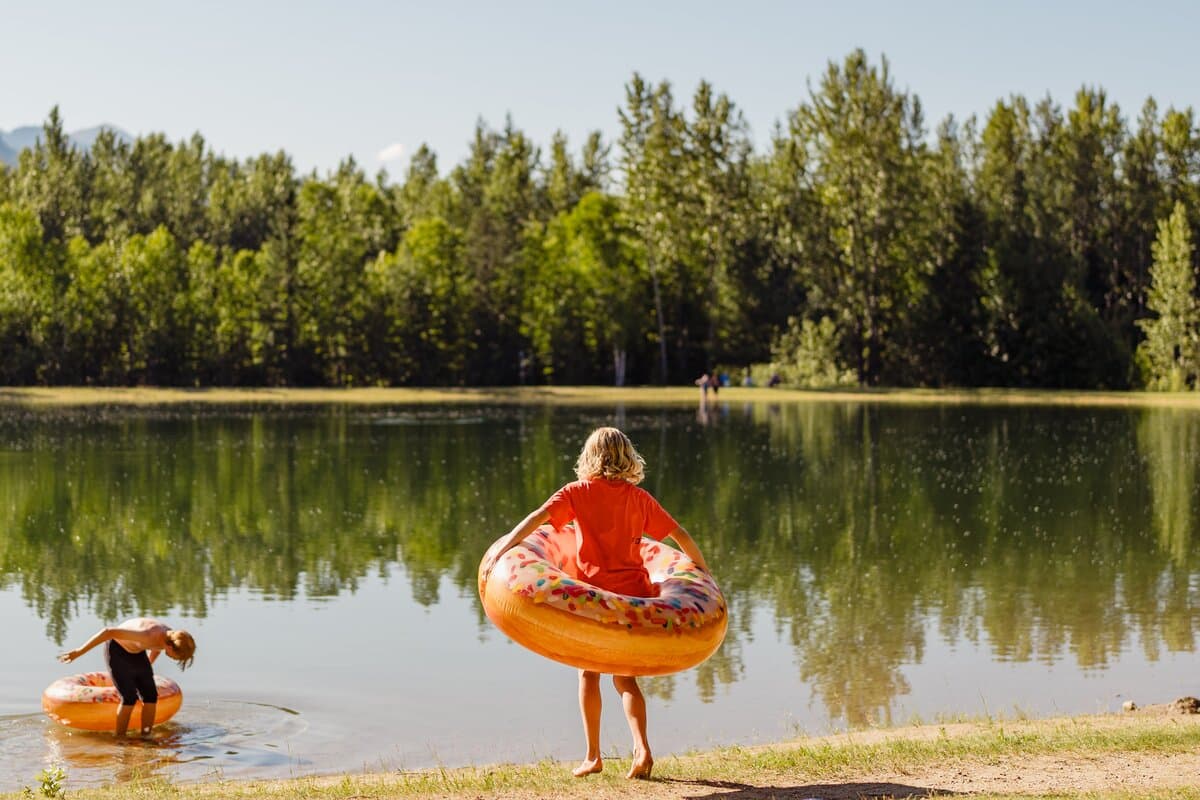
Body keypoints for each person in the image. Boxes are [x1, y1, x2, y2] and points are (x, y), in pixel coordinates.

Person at [483, 427, 710, 780]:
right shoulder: (639, 498)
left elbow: (537, 519)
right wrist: (704, 573)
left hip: (594, 599)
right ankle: (642, 748)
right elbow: (679, 534)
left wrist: (503, 548)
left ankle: (593, 756)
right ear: (628, 458)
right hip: (635, 597)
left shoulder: (577, 492)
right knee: (626, 680)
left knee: (589, 674)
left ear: (589, 457)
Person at [57, 618, 196, 737]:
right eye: (177, 657)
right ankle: (120, 737)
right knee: (129, 698)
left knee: (150, 696)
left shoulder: (170, 637)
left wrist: (147, 669)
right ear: (170, 647)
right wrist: (78, 652)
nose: (175, 660)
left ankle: (146, 735)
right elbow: (108, 632)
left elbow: (156, 648)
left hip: (137, 652)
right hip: (117, 650)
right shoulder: (148, 634)